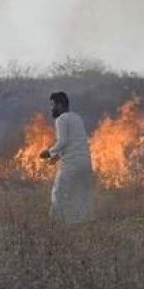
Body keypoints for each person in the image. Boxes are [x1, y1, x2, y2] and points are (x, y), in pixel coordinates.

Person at [38, 92, 94, 224]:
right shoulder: (77, 117)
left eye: (52, 105)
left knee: (58, 193)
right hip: (85, 163)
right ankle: (84, 224)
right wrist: (57, 157)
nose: (51, 109)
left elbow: (63, 141)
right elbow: (73, 142)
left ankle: (55, 224)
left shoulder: (61, 119)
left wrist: (49, 153)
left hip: (71, 165)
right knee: (81, 195)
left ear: (60, 105)